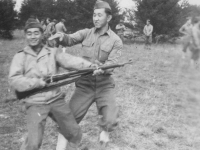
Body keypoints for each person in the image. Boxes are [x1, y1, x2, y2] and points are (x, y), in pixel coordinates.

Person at [8, 19, 96, 150]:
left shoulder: (52, 52)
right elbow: (14, 79)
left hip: (55, 99)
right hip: (35, 103)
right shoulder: (20, 57)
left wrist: (91, 66)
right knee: (33, 144)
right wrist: (37, 83)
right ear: (26, 35)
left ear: (42, 34)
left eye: (36, 33)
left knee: (74, 132)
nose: (33, 36)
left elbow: (71, 61)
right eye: (30, 33)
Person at [50, 0, 123, 149]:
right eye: (94, 15)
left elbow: (112, 63)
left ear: (108, 18)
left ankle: (105, 129)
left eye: (99, 15)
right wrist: (61, 37)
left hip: (104, 85)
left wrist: (102, 68)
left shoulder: (116, 40)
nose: (95, 18)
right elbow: (70, 39)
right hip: (85, 85)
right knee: (67, 122)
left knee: (110, 120)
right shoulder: (86, 33)